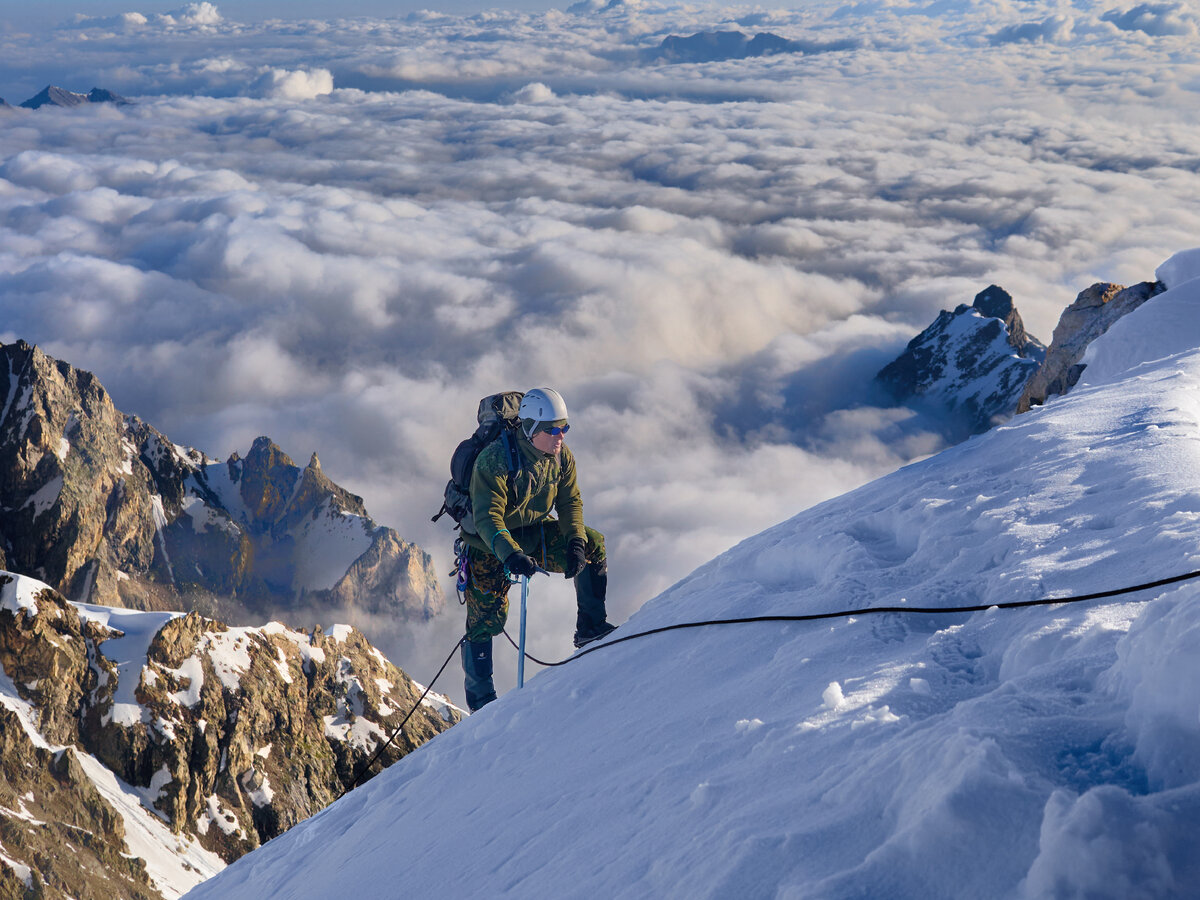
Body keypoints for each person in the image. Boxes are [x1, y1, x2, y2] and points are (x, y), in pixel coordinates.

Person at [458, 387, 614, 712]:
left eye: (564, 428)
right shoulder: (495, 460)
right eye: (553, 430)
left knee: (593, 544)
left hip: (531, 532)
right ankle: (481, 702)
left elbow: (570, 499)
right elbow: (488, 519)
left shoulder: (559, 456)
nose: (560, 436)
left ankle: (591, 627)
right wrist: (511, 554)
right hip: (488, 544)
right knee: (485, 620)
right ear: (531, 429)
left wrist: (574, 540)